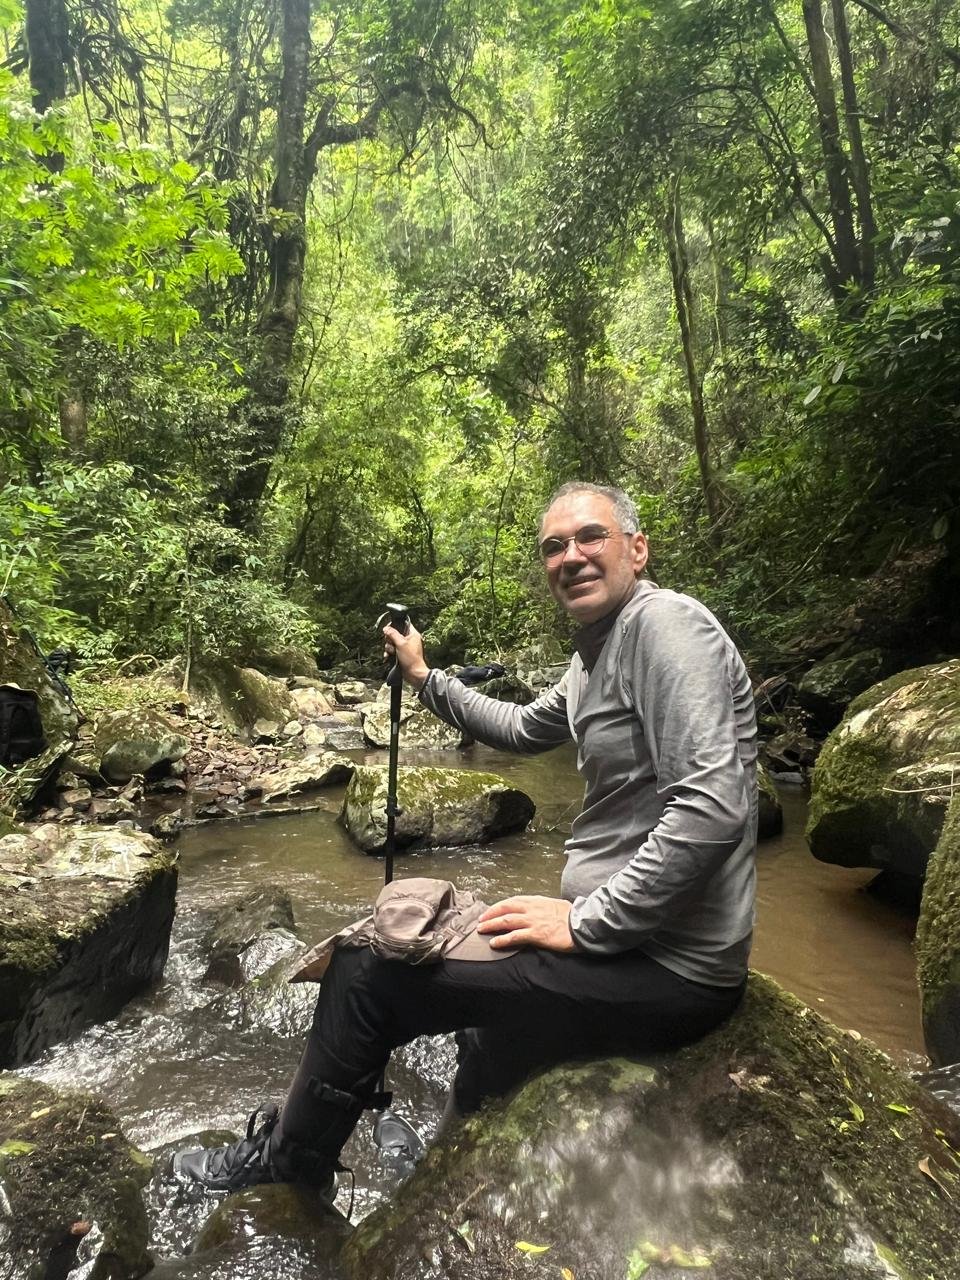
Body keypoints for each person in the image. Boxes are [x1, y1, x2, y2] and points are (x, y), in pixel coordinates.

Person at [174, 481, 757, 1194]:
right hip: (628, 943)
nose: (571, 556)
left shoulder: (666, 628)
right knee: (481, 1011)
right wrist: (424, 677)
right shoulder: (594, 655)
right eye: (554, 547)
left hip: (667, 966)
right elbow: (520, 729)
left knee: (364, 969)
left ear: (637, 549)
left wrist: (587, 923)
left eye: (590, 537)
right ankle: (444, 1174)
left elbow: (712, 808)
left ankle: (287, 1167)